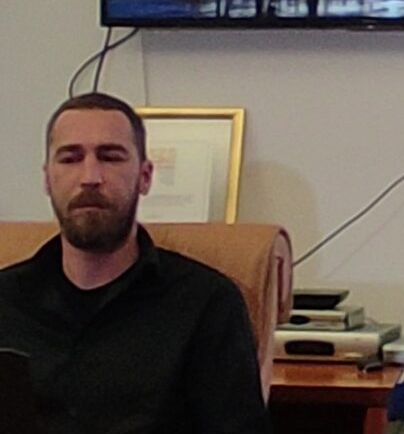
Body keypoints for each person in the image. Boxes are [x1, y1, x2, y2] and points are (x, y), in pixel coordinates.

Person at [0, 93, 271, 434]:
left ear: (145, 176)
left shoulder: (206, 304)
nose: (90, 177)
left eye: (110, 157)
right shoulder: (6, 301)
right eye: (70, 158)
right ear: (47, 179)